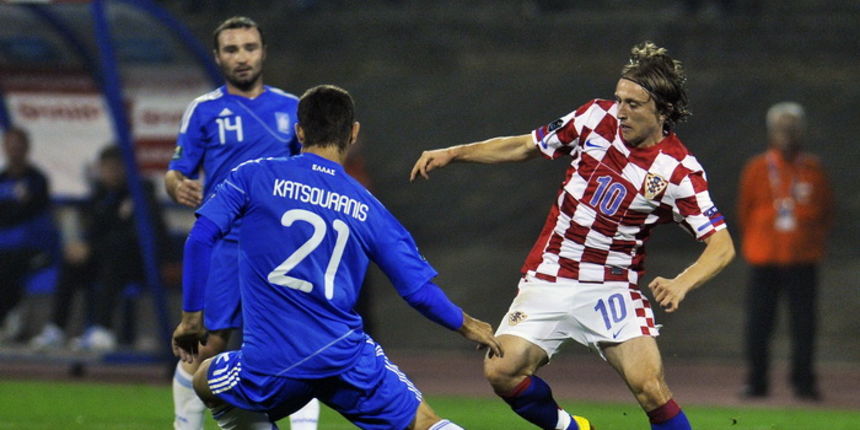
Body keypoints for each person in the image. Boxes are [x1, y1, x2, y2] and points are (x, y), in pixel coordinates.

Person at [411, 41, 736, 430]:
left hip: (611, 287)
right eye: (619, 100)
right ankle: (572, 428)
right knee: (501, 370)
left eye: (633, 104)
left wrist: (684, 282)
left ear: (662, 110)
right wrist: (454, 152)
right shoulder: (593, 118)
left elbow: (722, 244)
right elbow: (525, 146)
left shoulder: (679, 171)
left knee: (649, 386)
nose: (621, 111)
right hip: (551, 275)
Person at [172, 84, 503, 430]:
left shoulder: (253, 176)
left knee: (206, 379)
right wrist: (467, 325)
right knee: (425, 423)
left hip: (272, 364)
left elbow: (200, 239)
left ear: (299, 131)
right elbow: (418, 292)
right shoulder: (368, 207)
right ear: (353, 132)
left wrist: (192, 319)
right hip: (345, 357)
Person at [163, 16, 319, 430]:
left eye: (249, 47)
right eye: (231, 50)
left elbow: (314, 170)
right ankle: (186, 425)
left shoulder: (292, 108)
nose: (242, 57)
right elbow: (176, 171)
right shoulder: (205, 109)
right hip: (226, 248)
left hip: (279, 249)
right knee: (206, 348)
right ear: (217, 57)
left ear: (263, 52)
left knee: (297, 347)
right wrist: (177, 185)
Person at [29, 145, 167, 351]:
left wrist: (93, 248)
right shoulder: (100, 195)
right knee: (72, 263)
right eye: (106, 168)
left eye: (115, 167)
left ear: (126, 168)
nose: (110, 173)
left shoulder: (142, 193)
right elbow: (94, 231)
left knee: (114, 261)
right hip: (104, 259)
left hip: (139, 263)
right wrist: (82, 247)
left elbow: (137, 237)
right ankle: (56, 329)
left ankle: (103, 329)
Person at [737, 102, 833, 400]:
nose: (787, 133)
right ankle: (756, 381)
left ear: (801, 131)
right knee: (758, 324)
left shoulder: (814, 169)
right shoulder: (756, 168)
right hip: (764, 258)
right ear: (772, 131)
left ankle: (804, 383)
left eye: (792, 127)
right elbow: (744, 210)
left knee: (804, 326)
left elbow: (827, 211)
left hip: (803, 260)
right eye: (782, 127)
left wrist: (810, 240)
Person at [0, 127, 58, 343]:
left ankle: (9, 316)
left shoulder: (37, 180)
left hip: (32, 247)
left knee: (9, 264)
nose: (14, 150)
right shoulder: (2, 178)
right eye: (10, 145)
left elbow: (30, 210)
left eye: (19, 145)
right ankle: (10, 316)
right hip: (4, 244)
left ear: (26, 148)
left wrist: (10, 210)